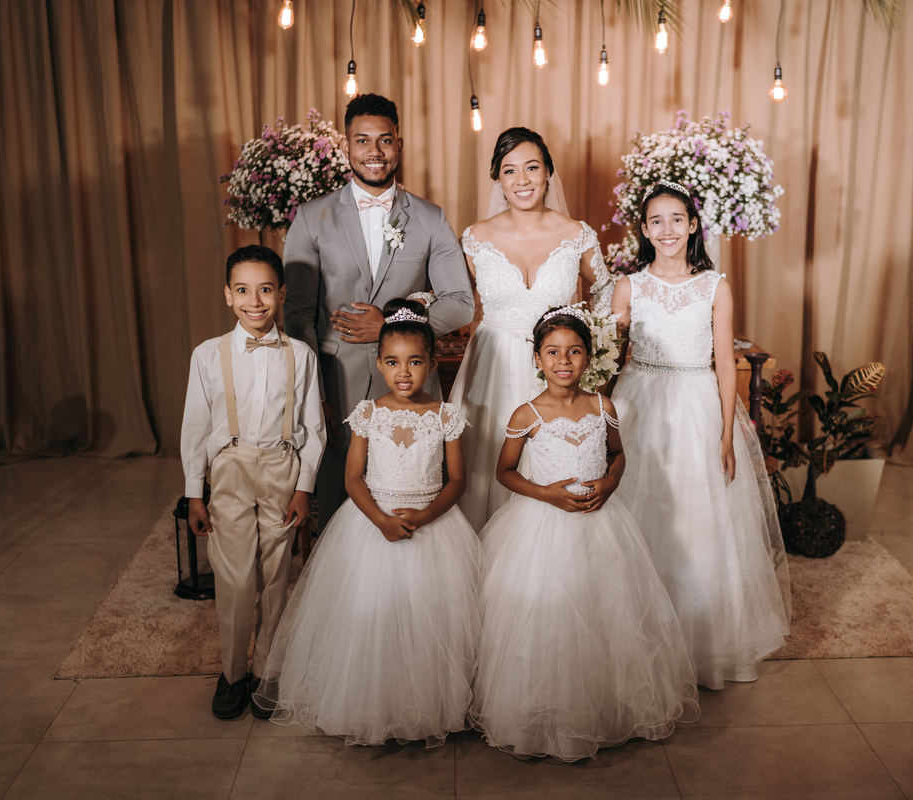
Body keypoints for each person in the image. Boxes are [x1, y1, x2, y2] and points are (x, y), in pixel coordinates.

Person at [471, 307, 698, 762]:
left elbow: (618, 456)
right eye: (552, 352)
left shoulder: (603, 407)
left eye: (574, 351)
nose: (563, 361)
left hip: (601, 526)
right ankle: (541, 713)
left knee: (605, 610)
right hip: (541, 526)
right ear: (537, 359)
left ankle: (603, 706)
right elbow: (504, 472)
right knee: (547, 615)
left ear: (589, 357)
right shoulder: (527, 413)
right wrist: (545, 494)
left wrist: (611, 484)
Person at [253, 299, 480, 747]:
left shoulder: (445, 416)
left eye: (415, 362)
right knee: (370, 613)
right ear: (378, 363)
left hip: (431, 524)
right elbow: (353, 477)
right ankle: (368, 703)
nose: (404, 372)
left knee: (429, 615)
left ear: (432, 363)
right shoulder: (367, 414)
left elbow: (457, 481)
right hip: (370, 525)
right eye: (393, 362)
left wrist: (424, 515)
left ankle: (425, 703)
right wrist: (380, 520)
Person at [610, 181, 790, 690]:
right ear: (644, 230)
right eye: (655, 221)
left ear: (692, 225)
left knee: (695, 517)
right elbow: (607, 350)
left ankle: (699, 642)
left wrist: (729, 433)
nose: (666, 229)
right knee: (639, 510)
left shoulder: (715, 286)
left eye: (676, 219)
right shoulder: (629, 285)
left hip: (696, 402)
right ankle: (638, 637)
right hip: (640, 402)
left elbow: (724, 363)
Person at [283, 93, 474, 521]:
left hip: (413, 387)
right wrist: (312, 394)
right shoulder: (312, 218)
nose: (375, 152)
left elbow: (461, 305)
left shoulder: (430, 217)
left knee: (417, 502)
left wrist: (388, 324)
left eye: (385, 140)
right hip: (337, 382)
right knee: (335, 502)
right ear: (347, 146)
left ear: (399, 146)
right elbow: (297, 315)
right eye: (363, 141)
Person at [180, 244, 327, 719]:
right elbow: (195, 427)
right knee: (236, 577)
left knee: (277, 573)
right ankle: (233, 673)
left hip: (282, 465)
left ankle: (266, 669)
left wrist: (304, 486)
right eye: (242, 290)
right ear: (227, 295)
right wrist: (193, 494)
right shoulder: (207, 355)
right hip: (229, 467)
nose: (255, 301)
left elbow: (314, 426)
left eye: (265, 289)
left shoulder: (301, 356)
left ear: (282, 293)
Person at [449, 127, 615, 529]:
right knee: (487, 464)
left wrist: (594, 346)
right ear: (498, 180)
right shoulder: (475, 238)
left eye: (531, 168)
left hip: (557, 368)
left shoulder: (577, 233)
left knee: (552, 469)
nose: (521, 180)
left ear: (548, 174)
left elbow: (606, 291)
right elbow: (451, 298)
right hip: (490, 368)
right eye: (509, 171)